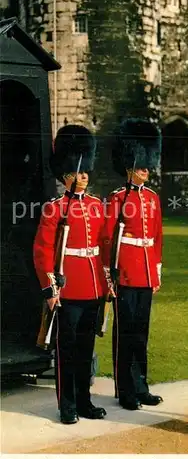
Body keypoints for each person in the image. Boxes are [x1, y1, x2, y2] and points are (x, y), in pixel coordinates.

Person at [33, 125, 108, 424]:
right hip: (69, 289)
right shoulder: (55, 208)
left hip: (93, 288)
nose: (84, 176)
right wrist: (51, 290)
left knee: (86, 348)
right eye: (79, 172)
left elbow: (101, 246)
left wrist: (107, 283)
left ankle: (84, 401)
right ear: (66, 176)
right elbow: (42, 252)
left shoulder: (95, 206)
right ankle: (67, 406)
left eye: (86, 172)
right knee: (66, 351)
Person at [104, 117, 163, 411]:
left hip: (146, 271)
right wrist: (109, 275)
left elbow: (157, 237)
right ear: (130, 168)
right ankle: (124, 389)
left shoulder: (153, 198)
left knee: (141, 333)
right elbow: (107, 239)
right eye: (142, 166)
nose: (147, 170)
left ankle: (141, 386)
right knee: (125, 332)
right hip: (124, 272)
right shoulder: (117, 198)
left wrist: (157, 271)